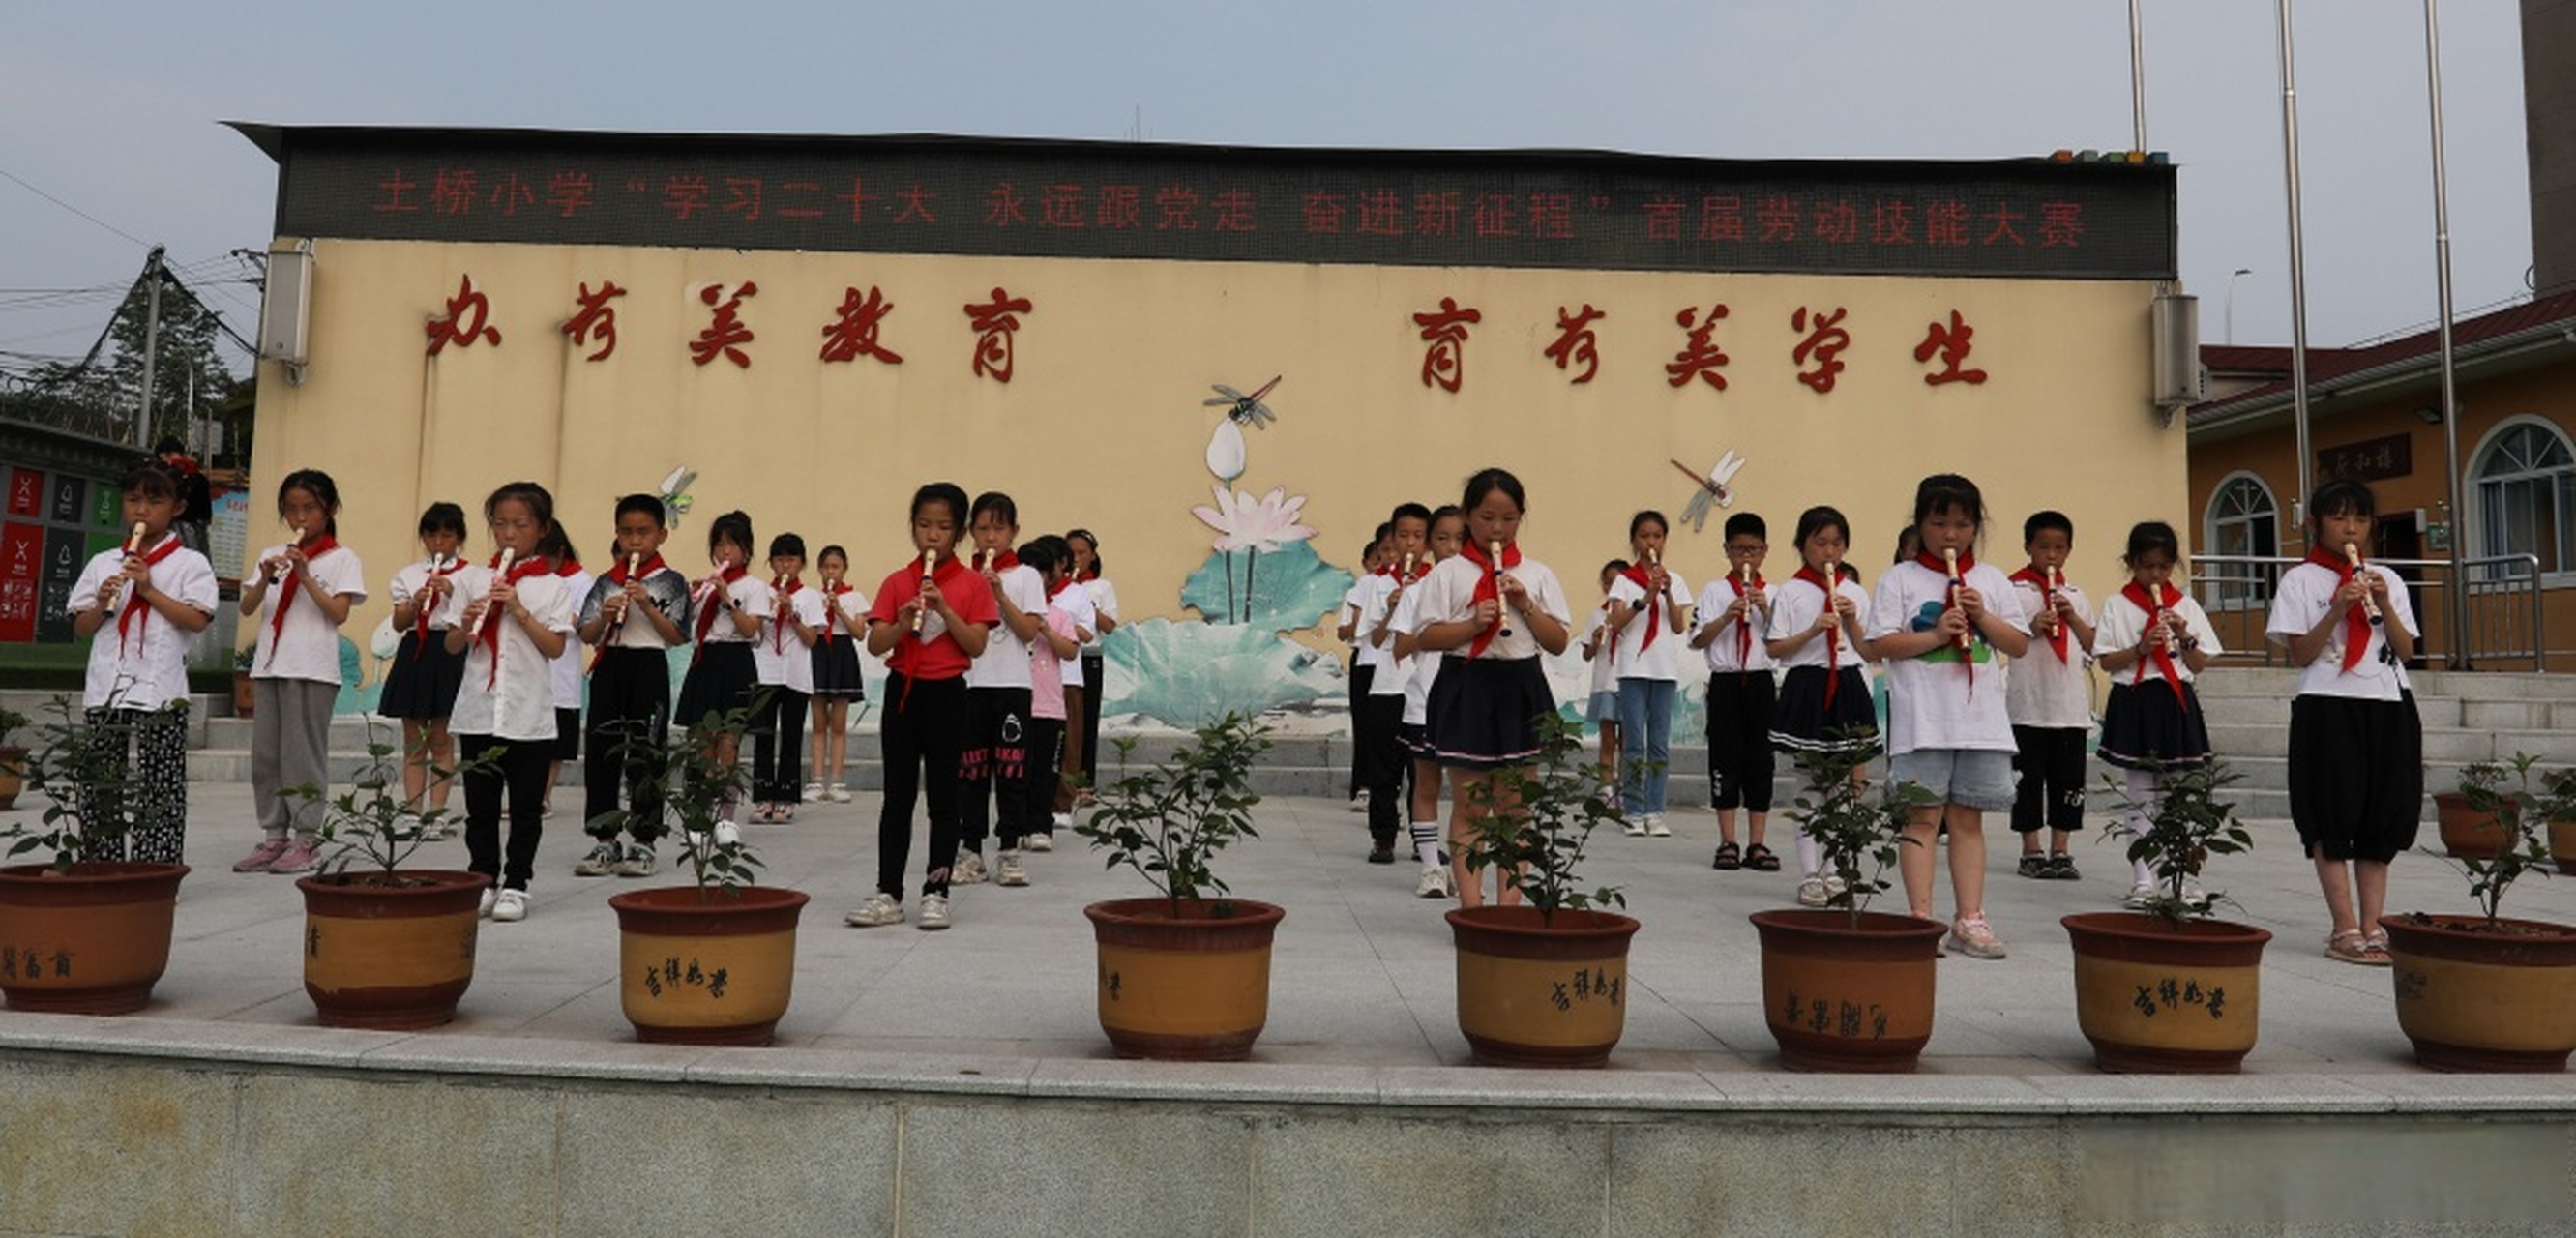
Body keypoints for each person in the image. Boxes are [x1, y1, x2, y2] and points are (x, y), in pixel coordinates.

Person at [1866, 474, 2031, 960]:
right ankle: (1920, 917)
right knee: (1921, 818)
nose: (1951, 534)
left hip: (1980, 722)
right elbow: (1880, 645)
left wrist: (1982, 617)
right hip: (1924, 720)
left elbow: (2017, 644)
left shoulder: (1992, 580)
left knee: (1967, 820)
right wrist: (1936, 636)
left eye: (1962, 523)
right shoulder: (1900, 579)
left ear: (1976, 526)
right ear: (1920, 524)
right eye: (1939, 522)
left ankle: (1970, 918)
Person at [2265, 479, 2422, 966]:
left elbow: (2407, 649)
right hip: (2327, 702)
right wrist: (2339, 606)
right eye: (2338, 517)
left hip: (2387, 701)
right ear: (2316, 524)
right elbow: (2300, 654)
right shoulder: (2301, 580)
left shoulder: (2388, 579)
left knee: (2381, 813)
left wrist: (2383, 603)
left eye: (2359, 518)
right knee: (2331, 813)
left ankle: (2374, 925)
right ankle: (2343, 926)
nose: (2350, 527)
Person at [1404, 468, 1572, 909]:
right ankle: (1473, 908)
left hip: (1521, 684)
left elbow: (1557, 642)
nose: (1497, 529)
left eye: (1509, 519)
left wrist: (1524, 604)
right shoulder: (1448, 574)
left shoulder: (1536, 573)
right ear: (1466, 516)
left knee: (1516, 806)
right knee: (1471, 805)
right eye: (1486, 518)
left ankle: (1509, 908)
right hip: (1467, 683)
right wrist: (1470, 624)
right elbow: (1425, 638)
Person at [848, 483, 997, 931]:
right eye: (924, 525)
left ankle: (937, 890)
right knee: (897, 797)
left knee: (944, 800)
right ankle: (888, 892)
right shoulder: (898, 581)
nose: (933, 535)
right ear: (913, 527)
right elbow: (876, 644)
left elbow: (976, 644)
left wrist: (945, 610)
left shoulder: (971, 584)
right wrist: (901, 619)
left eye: (944, 527)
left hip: (949, 694)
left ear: (959, 533)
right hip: (903, 693)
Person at [66, 460, 217, 864]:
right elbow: (82, 627)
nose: (141, 510)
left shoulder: (190, 564)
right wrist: (101, 603)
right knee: (101, 779)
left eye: (154, 500)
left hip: (161, 688)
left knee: (160, 782)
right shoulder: (102, 563)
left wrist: (147, 589)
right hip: (106, 685)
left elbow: (198, 619)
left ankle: (156, 867)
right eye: (132, 500)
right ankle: (102, 862)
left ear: (177, 508)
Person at [446, 482, 575, 923]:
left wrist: (518, 609)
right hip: (479, 710)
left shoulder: (553, 586)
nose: (508, 533)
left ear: (541, 529)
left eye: (520, 524)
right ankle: (482, 876)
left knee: (524, 808)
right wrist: (464, 624)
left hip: (528, 714)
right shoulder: (471, 579)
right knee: (480, 806)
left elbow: (555, 647)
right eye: (500, 524)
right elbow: (451, 646)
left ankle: (517, 883)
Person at [235, 468, 365, 876]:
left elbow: (338, 613)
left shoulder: (342, 558)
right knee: (267, 755)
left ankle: (307, 839)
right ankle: (274, 834)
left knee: (301, 755)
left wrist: (305, 577)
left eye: (309, 508)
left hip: (311, 668)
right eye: (292, 510)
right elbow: (248, 607)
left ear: (329, 509)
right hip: (271, 665)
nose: (300, 518)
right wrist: (267, 576)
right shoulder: (272, 553)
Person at [2094, 520, 2222, 908]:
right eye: (2147, 566)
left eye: (2163, 567)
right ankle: (2143, 879)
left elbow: (2198, 664)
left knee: (2175, 795)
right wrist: (2140, 648)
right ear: (2132, 563)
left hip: (2175, 699)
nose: (2155, 575)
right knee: (2140, 793)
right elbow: (2105, 661)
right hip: (2135, 698)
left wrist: (2182, 636)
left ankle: (2178, 877)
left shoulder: (2185, 606)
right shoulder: (2118, 605)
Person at [572, 493, 692, 878]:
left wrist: (648, 606)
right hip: (611, 667)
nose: (635, 541)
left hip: (648, 665)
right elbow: (587, 633)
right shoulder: (606, 581)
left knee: (648, 751)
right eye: (626, 533)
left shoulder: (671, 581)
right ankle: (604, 839)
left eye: (643, 532)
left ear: (662, 535)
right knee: (602, 751)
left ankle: (644, 839)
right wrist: (605, 617)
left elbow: (676, 636)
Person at [1765, 506, 1878, 906]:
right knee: (1810, 783)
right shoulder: (1791, 592)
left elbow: (1869, 650)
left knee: (1844, 787)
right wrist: (1814, 628)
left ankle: (1835, 870)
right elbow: (1776, 649)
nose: (1829, 551)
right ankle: (1810, 873)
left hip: (1847, 683)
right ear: (1802, 546)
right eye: (1820, 542)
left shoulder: (1856, 592)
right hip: (1808, 683)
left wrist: (1852, 623)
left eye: (1837, 543)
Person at [955, 492, 1048, 886]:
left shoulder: (1025, 576)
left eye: (999, 528)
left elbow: (1029, 631)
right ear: (971, 532)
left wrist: (998, 594)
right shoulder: (960, 577)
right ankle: (971, 849)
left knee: (1012, 768)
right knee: (970, 770)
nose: (990, 537)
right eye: (983, 528)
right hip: (971, 683)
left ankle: (1009, 848)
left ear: (1013, 532)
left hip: (1011, 683)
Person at [2003, 511, 2097, 881]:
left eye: (2059, 548)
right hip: (2028, 706)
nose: (2051, 556)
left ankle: (2062, 850)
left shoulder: (2076, 595)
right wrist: (2032, 628)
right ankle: (2031, 849)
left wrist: (2072, 619)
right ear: (2028, 547)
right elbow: (2007, 644)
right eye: (2043, 548)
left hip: (2069, 708)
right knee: (2027, 782)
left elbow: (2095, 647)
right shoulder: (2013, 592)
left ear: (2070, 550)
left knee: (2069, 782)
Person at [673, 511, 771, 844]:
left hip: (736, 662)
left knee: (729, 743)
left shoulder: (755, 587)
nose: (724, 551)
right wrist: (693, 596)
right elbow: (687, 632)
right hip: (706, 661)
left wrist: (728, 599)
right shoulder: (706, 588)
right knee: (702, 744)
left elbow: (750, 631)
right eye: (719, 544)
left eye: (732, 544)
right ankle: (700, 817)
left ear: (746, 549)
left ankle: (726, 819)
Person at [1691, 512, 1778, 873]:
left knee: (1761, 759)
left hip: (1760, 679)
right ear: (1727, 550)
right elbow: (1697, 639)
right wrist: (1728, 616)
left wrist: (1764, 608)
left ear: (1764, 551)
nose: (1747, 557)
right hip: (1726, 680)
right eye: (1739, 549)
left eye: (1753, 550)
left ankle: (1757, 842)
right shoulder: (1714, 591)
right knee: (1724, 757)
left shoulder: (1773, 592)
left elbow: (1780, 640)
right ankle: (1728, 840)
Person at [1391, 504, 1466, 898]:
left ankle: (1462, 868)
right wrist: (1436, 633)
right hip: (1425, 701)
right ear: (1427, 543)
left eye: (1459, 538)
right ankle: (1431, 868)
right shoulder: (1418, 592)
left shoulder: (1482, 588)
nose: (1452, 547)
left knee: (1468, 792)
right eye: (1442, 538)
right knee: (1426, 785)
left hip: (1468, 703)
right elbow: (1400, 648)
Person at [380, 502, 470, 817]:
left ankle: (436, 811)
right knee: (414, 740)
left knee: (442, 739)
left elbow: (477, 616)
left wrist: (451, 592)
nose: (439, 542)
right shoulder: (409, 574)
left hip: (451, 650)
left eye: (447, 535)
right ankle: (411, 809)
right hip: (416, 651)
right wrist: (415, 604)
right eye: (432, 535)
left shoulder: (470, 575)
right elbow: (398, 623)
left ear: (459, 538)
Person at [1607, 510, 1691, 838]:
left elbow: (1680, 625)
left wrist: (1666, 591)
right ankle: (1633, 809)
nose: (1651, 542)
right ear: (1634, 540)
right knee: (1633, 743)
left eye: (1657, 536)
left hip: (1664, 669)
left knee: (1658, 744)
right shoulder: (1624, 580)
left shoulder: (1676, 580)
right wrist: (1646, 597)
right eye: (1644, 536)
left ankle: (1655, 810)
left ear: (1664, 540)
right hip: (1633, 667)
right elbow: (1616, 622)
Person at [1361, 503, 1432, 864]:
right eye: (1403, 535)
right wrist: (1392, 608)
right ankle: (1383, 837)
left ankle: (1425, 841)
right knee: (1383, 769)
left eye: (1418, 536)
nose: (1410, 544)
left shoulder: (1437, 582)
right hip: (1386, 685)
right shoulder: (1376, 584)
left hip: (1422, 687)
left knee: (1421, 770)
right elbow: (1373, 641)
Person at [1017, 535, 1083, 868]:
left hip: (1048, 705)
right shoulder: (1009, 615)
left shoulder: (1058, 615)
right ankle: (1014, 826)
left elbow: (1070, 651)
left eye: (1039, 573)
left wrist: (1045, 629)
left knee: (1045, 769)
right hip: (1015, 701)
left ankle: (1040, 826)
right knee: (1016, 769)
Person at [749, 532, 820, 823]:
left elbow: (812, 640)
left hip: (795, 674)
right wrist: (768, 612)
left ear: (801, 563)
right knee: (762, 736)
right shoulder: (761, 594)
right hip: (765, 672)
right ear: (771, 562)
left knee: (791, 737)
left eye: (791, 559)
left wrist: (792, 614)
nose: (785, 565)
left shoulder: (809, 596)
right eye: (779, 559)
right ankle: (763, 797)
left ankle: (787, 798)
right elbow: (753, 634)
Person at [1036, 536, 1097, 845]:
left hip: (1068, 676)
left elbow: (1088, 632)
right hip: (1033, 677)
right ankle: (1033, 806)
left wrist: (1062, 624)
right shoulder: (1027, 591)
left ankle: (1063, 803)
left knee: (1069, 743)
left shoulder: (1077, 594)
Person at [808, 544, 869, 804]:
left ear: (844, 569)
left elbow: (859, 633)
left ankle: (838, 781)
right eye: (826, 567)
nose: (831, 572)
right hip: (820, 653)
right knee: (819, 722)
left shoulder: (856, 597)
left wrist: (839, 608)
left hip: (842, 653)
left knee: (839, 724)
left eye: (836, 567)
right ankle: (817, 781)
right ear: (819, 569)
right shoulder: (812, 597)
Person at [1339, 525, 1393, 815]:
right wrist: (1360, 621)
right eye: (1382, 551)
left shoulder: (1415, 583)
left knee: (1393, 734)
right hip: (1366, 661)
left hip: (1396, 664)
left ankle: (1390, 792)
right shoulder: (1364, 586)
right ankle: (1363, 785)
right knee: (1366, 727)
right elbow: (1346, 631)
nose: (1387, 557)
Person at [1063, 528, 1118, 810]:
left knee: (1086, 721)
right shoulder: (1058, 586)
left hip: (1089, 657)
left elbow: (1109, 627)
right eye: (1071, 552)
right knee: (1062, 723)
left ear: (1093, 555)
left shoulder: (1101, 587)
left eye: (1082, 553)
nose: (1076, 558)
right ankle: (1062, 782)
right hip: (1062, 656)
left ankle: (1086, 784)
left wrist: (1089, 608)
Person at [540, 526, 590, 818]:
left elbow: (584, 622)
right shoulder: (531, 578)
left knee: (555, 743)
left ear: (560, 553)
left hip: (561, 670)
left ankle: (543, 796)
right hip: (533, 668)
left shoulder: (581, 581)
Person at [1577, 560, 1625, 781]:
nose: (1611, 587)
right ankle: (1606, 789)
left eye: (1617, 582)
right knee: (1607, 738)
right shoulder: (1597, 615)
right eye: (1607, 582)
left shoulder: (1634, 614)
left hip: (1627, 681)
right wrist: (1596, 642)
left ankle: (1627, 789)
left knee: (1628, 740)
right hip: (1605, 683)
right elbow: (1587, 655)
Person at [152, 436, 213, 556]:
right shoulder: (199, 477)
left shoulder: (163, 475)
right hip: (196, 531)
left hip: (172, 528)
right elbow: (206, 514)